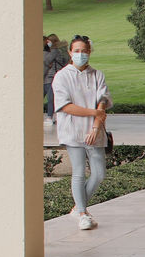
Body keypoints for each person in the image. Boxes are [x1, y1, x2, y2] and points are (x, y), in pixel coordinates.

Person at [52, 34, 111, 230]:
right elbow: (65, 106)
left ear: (89, 52)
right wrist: (94, 113)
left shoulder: (97, 75)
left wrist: (95, 127)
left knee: (99, 174)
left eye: (84, 51)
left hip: (94, 132)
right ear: (70, 52)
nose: (80, 54)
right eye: (76, 51)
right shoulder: (62, 77)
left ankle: (78, 208)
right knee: (78, 172)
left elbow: (102, 101)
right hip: (73, 131)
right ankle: (83, 214)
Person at [42, 34, 67, 127]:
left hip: (51, 78)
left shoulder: (54, 51)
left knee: (50, 99)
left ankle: (50, 117)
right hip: (48, 78)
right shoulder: (59, 51)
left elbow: (46, 60)